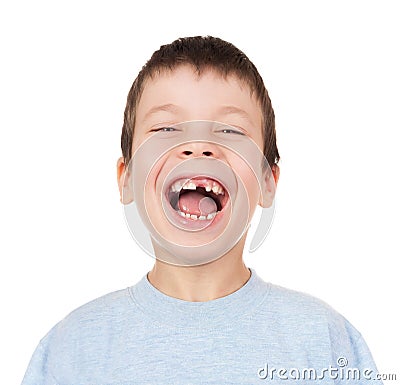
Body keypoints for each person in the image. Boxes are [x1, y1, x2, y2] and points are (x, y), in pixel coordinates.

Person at [21, 36, 383, 384]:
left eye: (229, 130)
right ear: (126, 178)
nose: (198, 145)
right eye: (165, 128)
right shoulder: (74, 347)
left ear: (268, 181)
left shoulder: (322, 340)